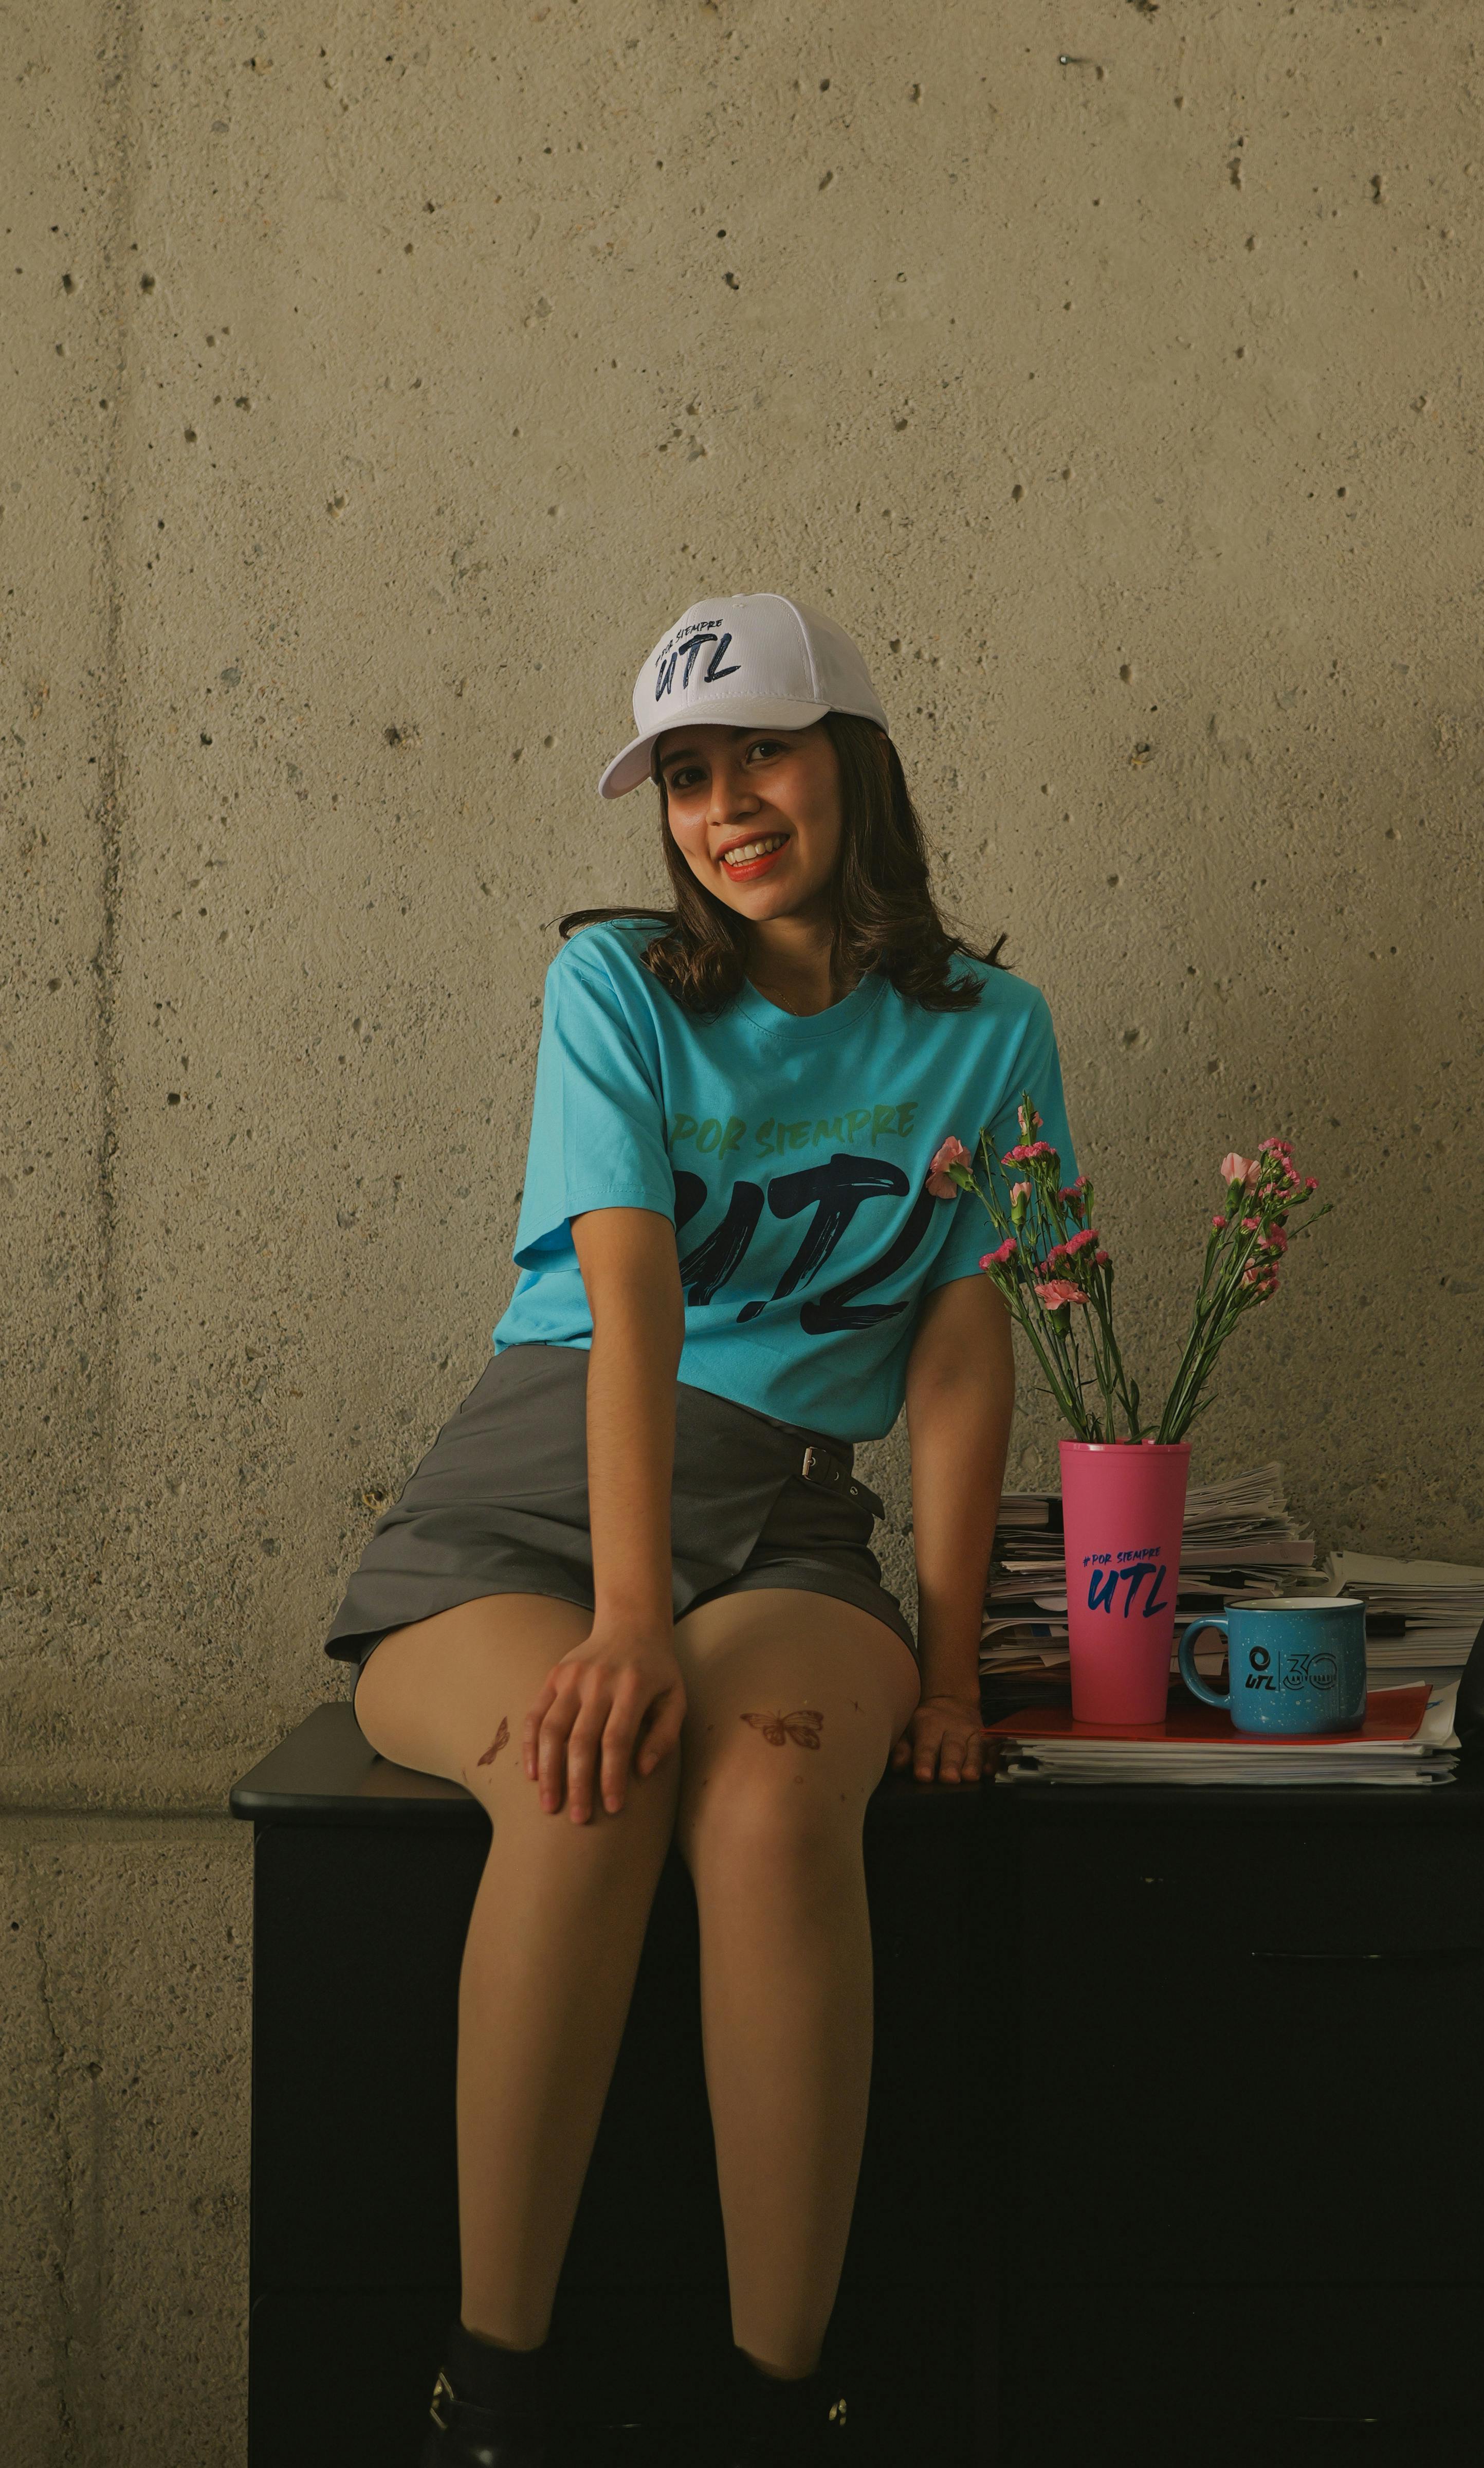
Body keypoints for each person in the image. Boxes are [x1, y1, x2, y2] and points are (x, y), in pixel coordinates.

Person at [323, 594, 1078, 2466]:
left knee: (766, 1797)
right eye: (686, 773)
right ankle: (486, 2394)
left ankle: (780, 2402)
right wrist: (630, 1615)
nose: (727, 805)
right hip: (534, 1509)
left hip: (801, 1534)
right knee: (593, 1773)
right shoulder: (618, 992)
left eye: (761, 754)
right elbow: (634, 1311)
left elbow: (968, 1357)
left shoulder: (993, 1031)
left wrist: (958, 1666)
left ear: (852, 762)